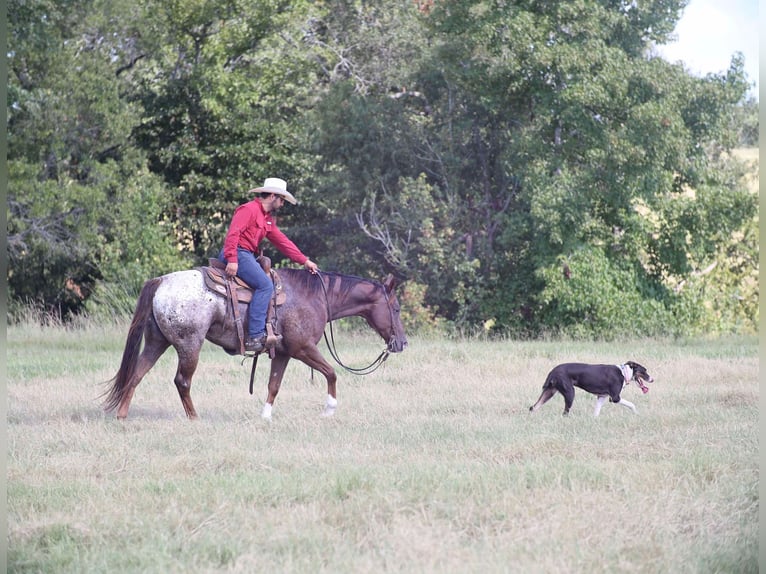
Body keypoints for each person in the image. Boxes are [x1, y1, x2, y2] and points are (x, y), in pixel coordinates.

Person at [219, 177, 319, 353]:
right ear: (272, 196)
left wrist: (304, 260)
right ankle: (255, 335)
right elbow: (233, 234)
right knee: (265, 286)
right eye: (281, 200)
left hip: (247, 255)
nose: (282, 204)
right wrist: (232, 259)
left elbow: (283, 242)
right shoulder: (248, 209)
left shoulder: (268, 220)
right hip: (238, 253)